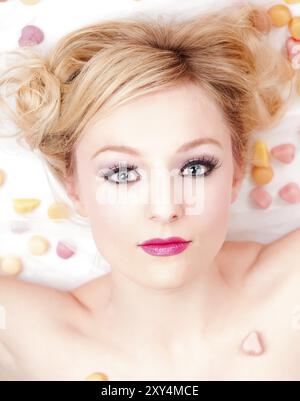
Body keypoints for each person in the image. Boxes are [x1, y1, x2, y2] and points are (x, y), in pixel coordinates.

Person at [0, 2, 300, 381]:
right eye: (122, 173)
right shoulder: (25, 337)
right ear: (72, 186)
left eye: (194, 168)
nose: (165, 208)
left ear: (237, 169)